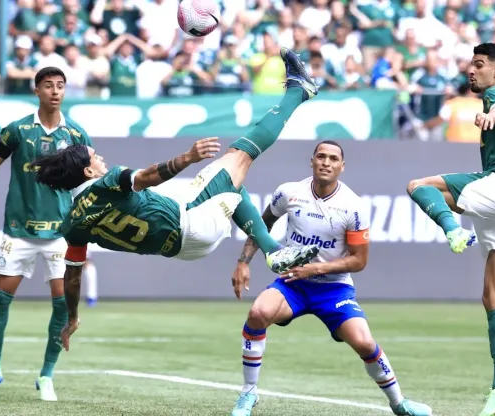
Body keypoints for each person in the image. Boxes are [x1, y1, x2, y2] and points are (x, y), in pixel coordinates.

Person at [31, 48, 323, 349]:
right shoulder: (107, 181)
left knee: (232, 188)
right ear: (88, 170)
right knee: (241, 152)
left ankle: (273, 250)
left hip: (186, 250)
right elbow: (146, 177)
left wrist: (73, 317)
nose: (101, 157)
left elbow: (73, 278)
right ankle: (299, 90)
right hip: (190, 221)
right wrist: (187, 157)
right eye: (95, 156)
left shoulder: (73, 224)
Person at [228, 141, 433, 416]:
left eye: (333, 158)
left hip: (334, 289)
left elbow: (359, 261)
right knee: (257, 313)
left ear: (341, 166)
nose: (326, 162)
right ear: (311, 161)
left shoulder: (353, 207)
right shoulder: (289, 192)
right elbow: (262, 223)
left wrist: (314, 269)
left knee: (364, 343)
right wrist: (243, 262)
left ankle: (399, 403)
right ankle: (248, 393)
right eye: (321, 157)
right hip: (294, 284)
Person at [405, 43, 495, 416]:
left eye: (480, 65)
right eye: (472, 64)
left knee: (418, 186)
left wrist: (494, 117)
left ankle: (453, 230)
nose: (472, 70)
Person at [0, 66, 92, 402]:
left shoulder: (76, 134)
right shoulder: (18, 130)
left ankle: (46, 376)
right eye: (48, 85)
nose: (55, 91)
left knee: (61, 306)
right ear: (36, 90)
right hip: (18, 231)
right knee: (1, 300)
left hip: (60, 234)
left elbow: (88, 180)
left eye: (60, 86)